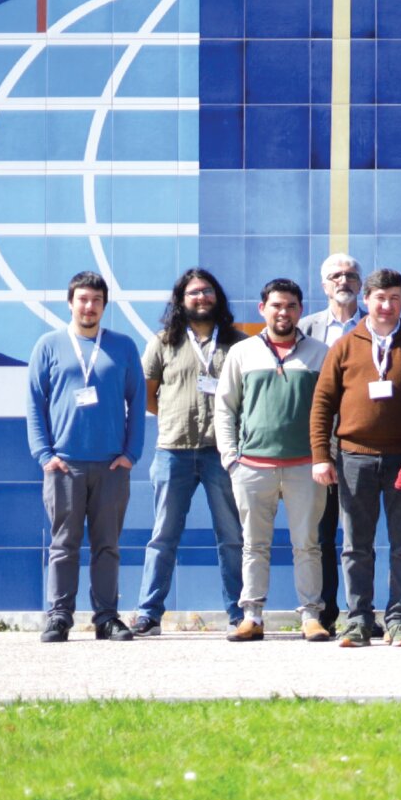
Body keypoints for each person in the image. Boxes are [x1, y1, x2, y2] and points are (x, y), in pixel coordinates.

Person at [309, 268, 401, 647]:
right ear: (366, 300)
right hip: (353, 459)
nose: (387, 305)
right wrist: (321, 455)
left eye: (394, 298)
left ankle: (399, 620)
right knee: (356, 545)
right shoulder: (345, 346)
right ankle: (358, 620)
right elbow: (322, 404)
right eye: (380, 298)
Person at [26, 271, 146, 643]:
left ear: (104, 305)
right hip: (64, 465)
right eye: (82, 299)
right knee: (63, 544)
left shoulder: (123, 346)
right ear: (70, 303)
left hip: (111, 466)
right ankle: (59, 616)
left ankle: (106, 618)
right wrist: (45, 455)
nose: (89, 306)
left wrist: (131, 454)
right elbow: (34, 403)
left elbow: (137, 402)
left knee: (107, 545)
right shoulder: (48, 345)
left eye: (96, 300)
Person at [214, 278, 331, 642]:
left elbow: (332, 409)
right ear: (262, 309)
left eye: (291, 306)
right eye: (277, 305)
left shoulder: (320, 353)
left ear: (300, 310)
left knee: (307, 545)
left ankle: (311, 616)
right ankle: (251, 616)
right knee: (253, 545)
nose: (284, 312)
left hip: (305, 467)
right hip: (252, 467)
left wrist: (324, 456)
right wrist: (231, 458)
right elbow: (225, 407)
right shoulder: (242, 352)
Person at [132, 268, 246, 636]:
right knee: (163, 536)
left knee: (232, 537)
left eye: (207, 291)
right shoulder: (164, 342)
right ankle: (148, 614)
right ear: (181, 300)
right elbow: (147, 393)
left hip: (222, 452)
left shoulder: (238, 344)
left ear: (218, 297)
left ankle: (239, 614)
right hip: (173, 451)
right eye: (194, 292)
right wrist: (172, 415)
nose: (201, 297)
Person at [299, 251, 362, 636]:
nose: (343, 281)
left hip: (361, 443)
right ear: (324, 285)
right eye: (335, 276)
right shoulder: (304, 329)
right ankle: (324, 613)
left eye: (351, 275)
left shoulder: (375, 325)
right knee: (322, 534)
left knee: (360, 536)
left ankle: (363, 613)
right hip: (319, 447)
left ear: (361, 283)